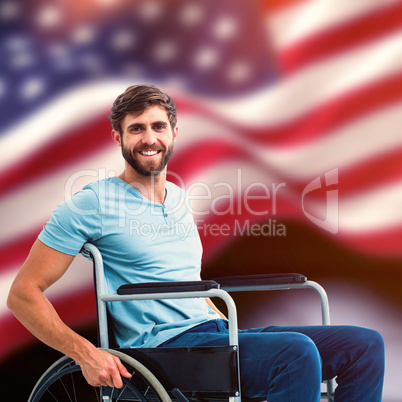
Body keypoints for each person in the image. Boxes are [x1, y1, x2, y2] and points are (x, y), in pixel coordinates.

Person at [8, 84, 384, 401]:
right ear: (118, 137)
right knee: (295, 353)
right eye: (136, 129)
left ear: (174, 133)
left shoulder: (178, 197)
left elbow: (186, 279)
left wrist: (228, 326)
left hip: (213, 332)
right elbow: (23, 293)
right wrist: (85, 353)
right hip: (163, 349)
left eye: (158, 126)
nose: (149, 138)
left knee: (365, 346)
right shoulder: (91, 203)